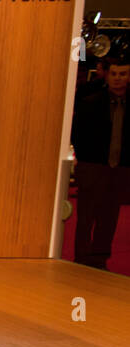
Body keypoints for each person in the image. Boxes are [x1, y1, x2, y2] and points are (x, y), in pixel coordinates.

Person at [71, 57, 130, 269]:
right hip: (93, 168)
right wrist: (85, 163)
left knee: (109, 218)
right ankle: (81, 258)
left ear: (128, 77)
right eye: (114, 74)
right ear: (107, 75)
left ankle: (100, 259)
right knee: (86, 217)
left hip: (119, 171)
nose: (117, 79)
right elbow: (77, 134)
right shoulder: (91, 102)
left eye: (122, 74)